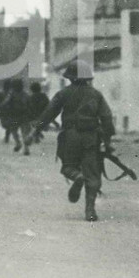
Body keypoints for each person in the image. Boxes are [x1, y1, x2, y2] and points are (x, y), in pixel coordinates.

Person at [31, 60, 115, 222]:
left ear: (69, 78)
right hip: (91, 137)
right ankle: (90, 210)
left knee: (68, 167)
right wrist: (108, 141)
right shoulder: (96, 94)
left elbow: (49, 113)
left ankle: (77, 176)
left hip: (70, 136)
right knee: (93, 174)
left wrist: (36, 130)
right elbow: (106, 117)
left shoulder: (63, 94)